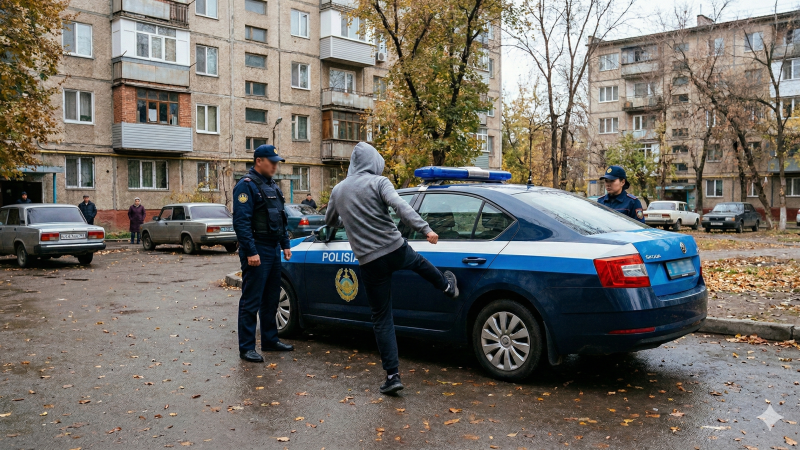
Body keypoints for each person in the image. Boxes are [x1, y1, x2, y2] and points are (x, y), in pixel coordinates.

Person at [324, 142, 459, 395]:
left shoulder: (338, 190)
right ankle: (447, 286)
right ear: (374, 162)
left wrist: (351, 217)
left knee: (382, 318)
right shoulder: (380, 182)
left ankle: (392, 375)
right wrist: (426, 229)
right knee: (418, 262)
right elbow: (401, 206)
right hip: (394, 248)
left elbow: (330, 221)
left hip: (369, 261)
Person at [232, 144, 294, 363]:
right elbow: (241, 222)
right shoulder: (246, 186)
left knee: (271, 299)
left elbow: (280, 217)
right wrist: (250, 251)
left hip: (272, 249)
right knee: (251, 300)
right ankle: (247, 347)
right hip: (256, 249)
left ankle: (270, 340)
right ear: (259, 160)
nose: (275, 166)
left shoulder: (272, 186)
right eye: (272, 161)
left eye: (277, 162)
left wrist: (285, 243)